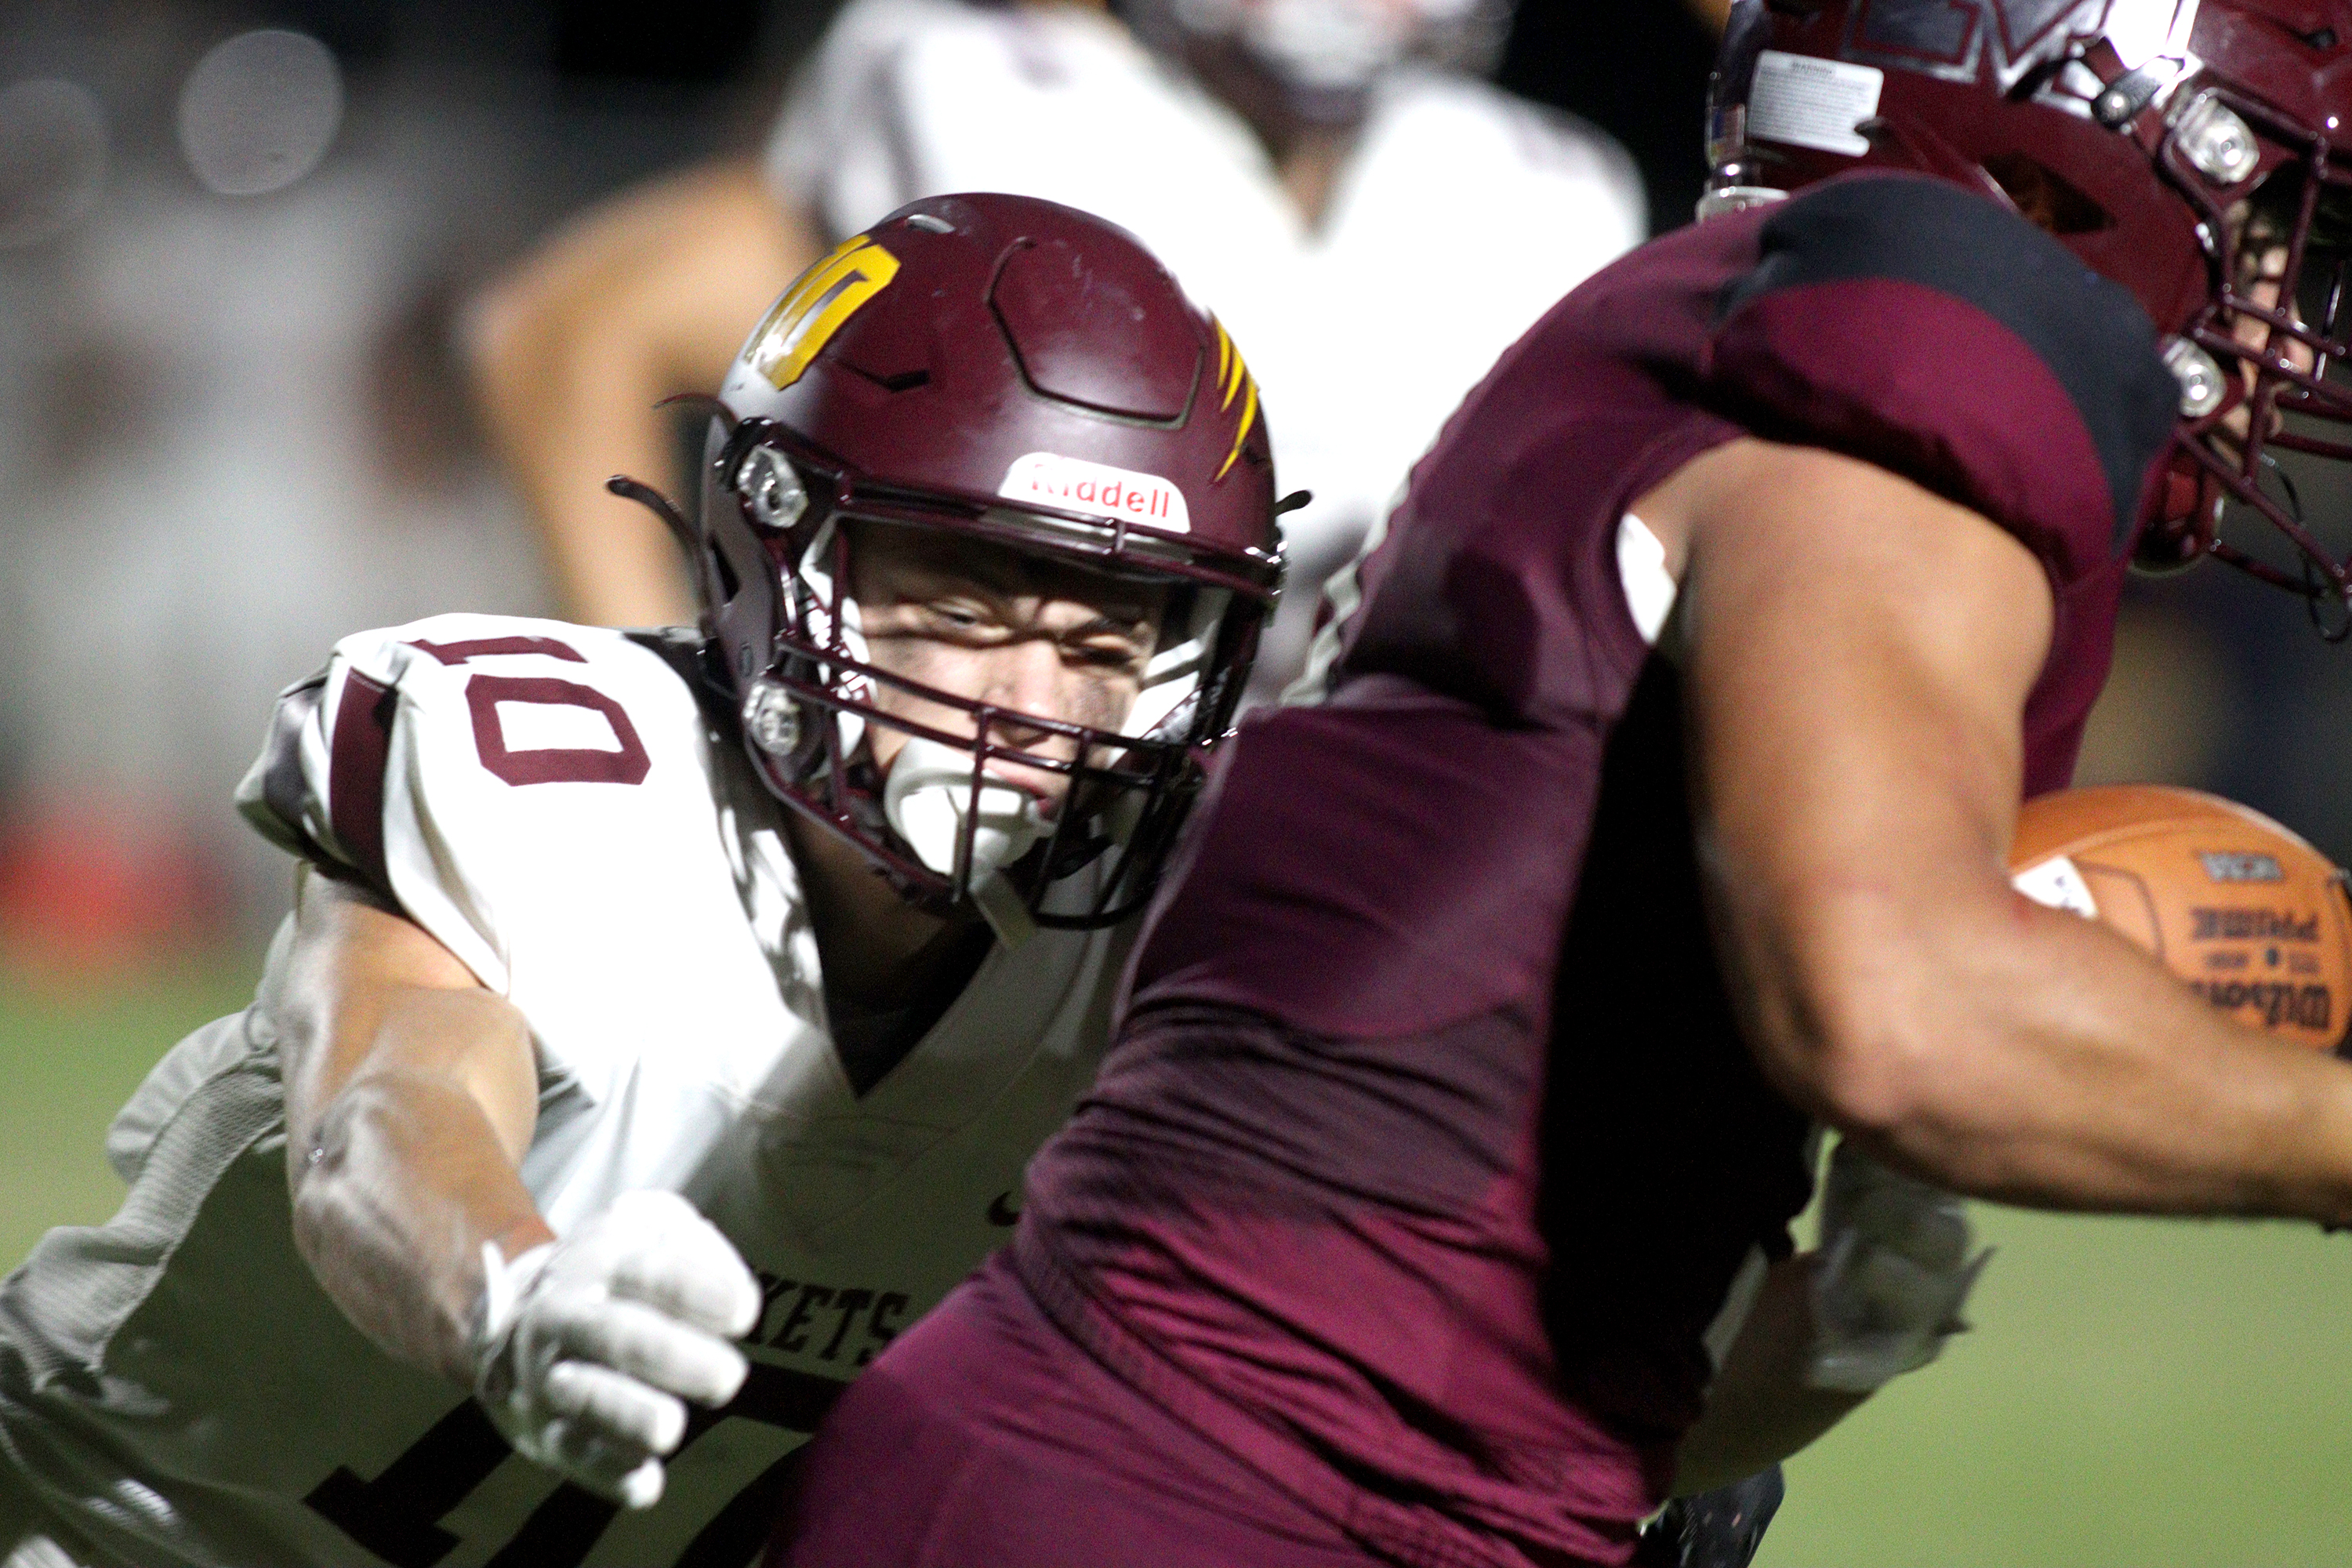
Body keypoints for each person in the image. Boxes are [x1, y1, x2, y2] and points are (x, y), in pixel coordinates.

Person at [772, 2, 2352, 1565]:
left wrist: (1807, 1340)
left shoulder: (1713, 341)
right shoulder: (1914, 363)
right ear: (2076, 162)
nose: (2285, 296)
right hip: (1185, 1495)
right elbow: (1897, 1014)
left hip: (1165, 1467)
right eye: (2263, 210)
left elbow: (1450, 1358)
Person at [0, 193, 1279, 1568]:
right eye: (962, 609)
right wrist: (514, 1292)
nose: (1032, 708)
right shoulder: (559, 781)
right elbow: (381, 1104)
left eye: (1106, 643)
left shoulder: (1175, 934)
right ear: (775, 549)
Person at [468, 0, 1645, 702]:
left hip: (1369, 827)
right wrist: (686, 700)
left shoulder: (1544, 186)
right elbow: (564, 333)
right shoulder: (986, 86)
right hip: (999, 788)